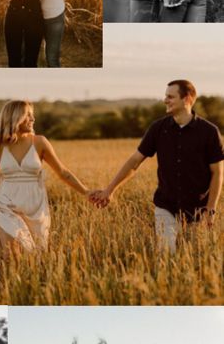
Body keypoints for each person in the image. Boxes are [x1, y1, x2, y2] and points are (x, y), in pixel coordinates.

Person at [89, 79, 224, 250]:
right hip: (165, 206)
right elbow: (134, 162)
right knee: (166, 254)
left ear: (187, 99)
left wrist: (210, 210)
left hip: (198, 210)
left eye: (170, 96)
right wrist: (109, 191)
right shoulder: (158, 129)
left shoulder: (209, 132)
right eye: (165, 96)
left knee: (194, 260)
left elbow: (218, 173)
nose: (165, 100)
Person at [0, 100, 91, 252]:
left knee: (33, 257)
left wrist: (86, 192)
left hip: (35, 207)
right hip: (4, 204)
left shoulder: (40, 142)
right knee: (10, 258)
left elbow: (63, 172)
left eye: (32, 115)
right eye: (28, 115)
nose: (33, 119)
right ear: (15, 117)